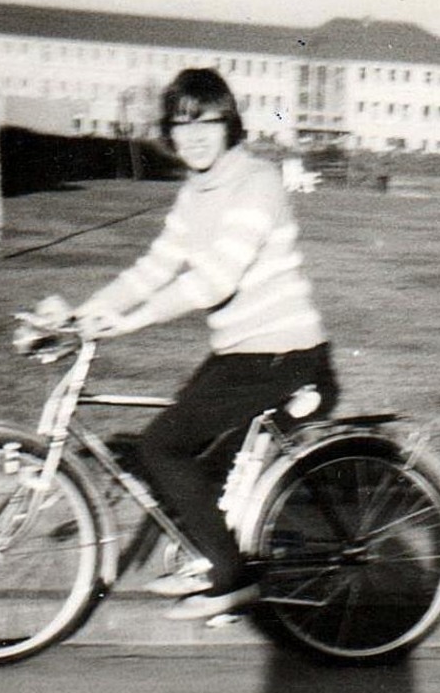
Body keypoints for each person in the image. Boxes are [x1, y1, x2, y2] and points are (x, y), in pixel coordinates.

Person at [68, 68, 339, 620]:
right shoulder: (196, 193)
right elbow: (156, 266)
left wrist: (130, 323)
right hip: (243, 353)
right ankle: (215, 558)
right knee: (195, 452)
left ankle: (232, 577)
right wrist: (85, 311)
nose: (192, 135)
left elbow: (215, 278)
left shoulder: (257, 181)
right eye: (179, 124)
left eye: (205, 122)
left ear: (228, 124)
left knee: (163, 447)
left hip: (284, 355)